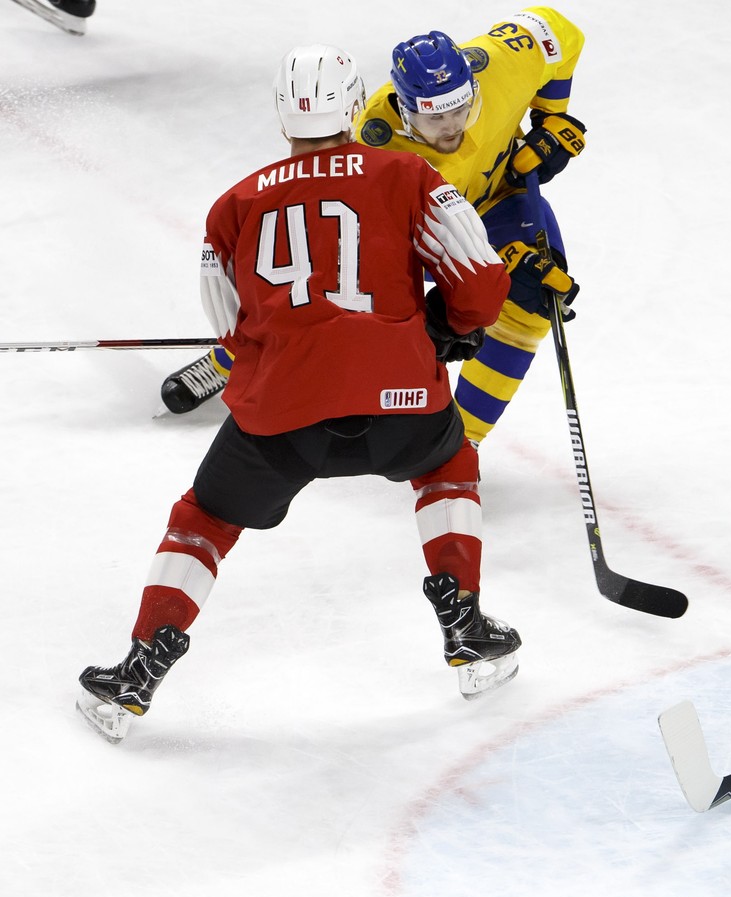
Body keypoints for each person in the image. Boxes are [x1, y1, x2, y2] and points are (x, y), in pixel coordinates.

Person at [77, 44, 520, 744]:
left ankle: (136, 677)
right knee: (447, 464)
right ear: (353, 106)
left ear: (283, 116)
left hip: (283, 412)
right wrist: (440, 327)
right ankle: (466, 628)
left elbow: (227, 327)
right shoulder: (407, 172)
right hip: (400, 397)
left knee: (205, 520)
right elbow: (482, 282)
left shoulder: (233, 206)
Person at [162, 9, 586, 450]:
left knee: (534, 304)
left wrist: (551, 119)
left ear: (474, 86)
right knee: (322, 292)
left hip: (496, 201)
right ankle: (228, 358)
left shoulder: (500, 64)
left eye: (461, 109)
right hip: (415, 231)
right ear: (403, 113)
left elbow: (555, 29)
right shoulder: (368, 147)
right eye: (434, 119)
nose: (452, 127)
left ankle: (461, 443)